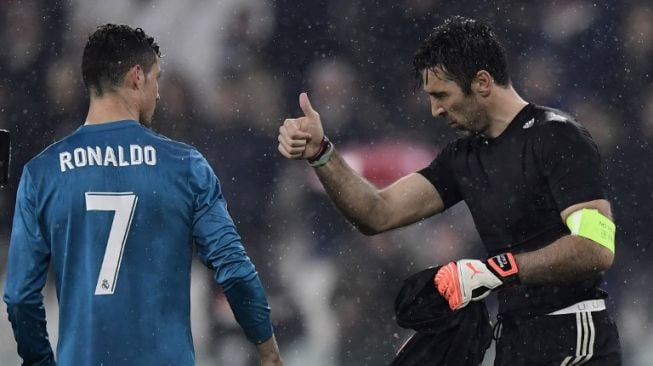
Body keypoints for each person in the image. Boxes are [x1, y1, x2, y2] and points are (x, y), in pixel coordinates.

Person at [277, 16, 621, 364]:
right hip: (513, 334)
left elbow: (596, 246)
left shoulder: (558, 136)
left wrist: (496, 270)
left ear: (483, 83)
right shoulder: (463, 158)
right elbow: (377, 213)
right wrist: (322, 154)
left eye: (442, 95)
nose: (435, 109)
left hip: (575, 332)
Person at [4, 24, 283, 366]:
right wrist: (268, 352)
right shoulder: (184, 166)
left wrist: (40, 361)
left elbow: (19, 296)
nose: (159, 93)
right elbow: (234, 269)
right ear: (137, 77)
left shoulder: (42, 173)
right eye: (157, 78)